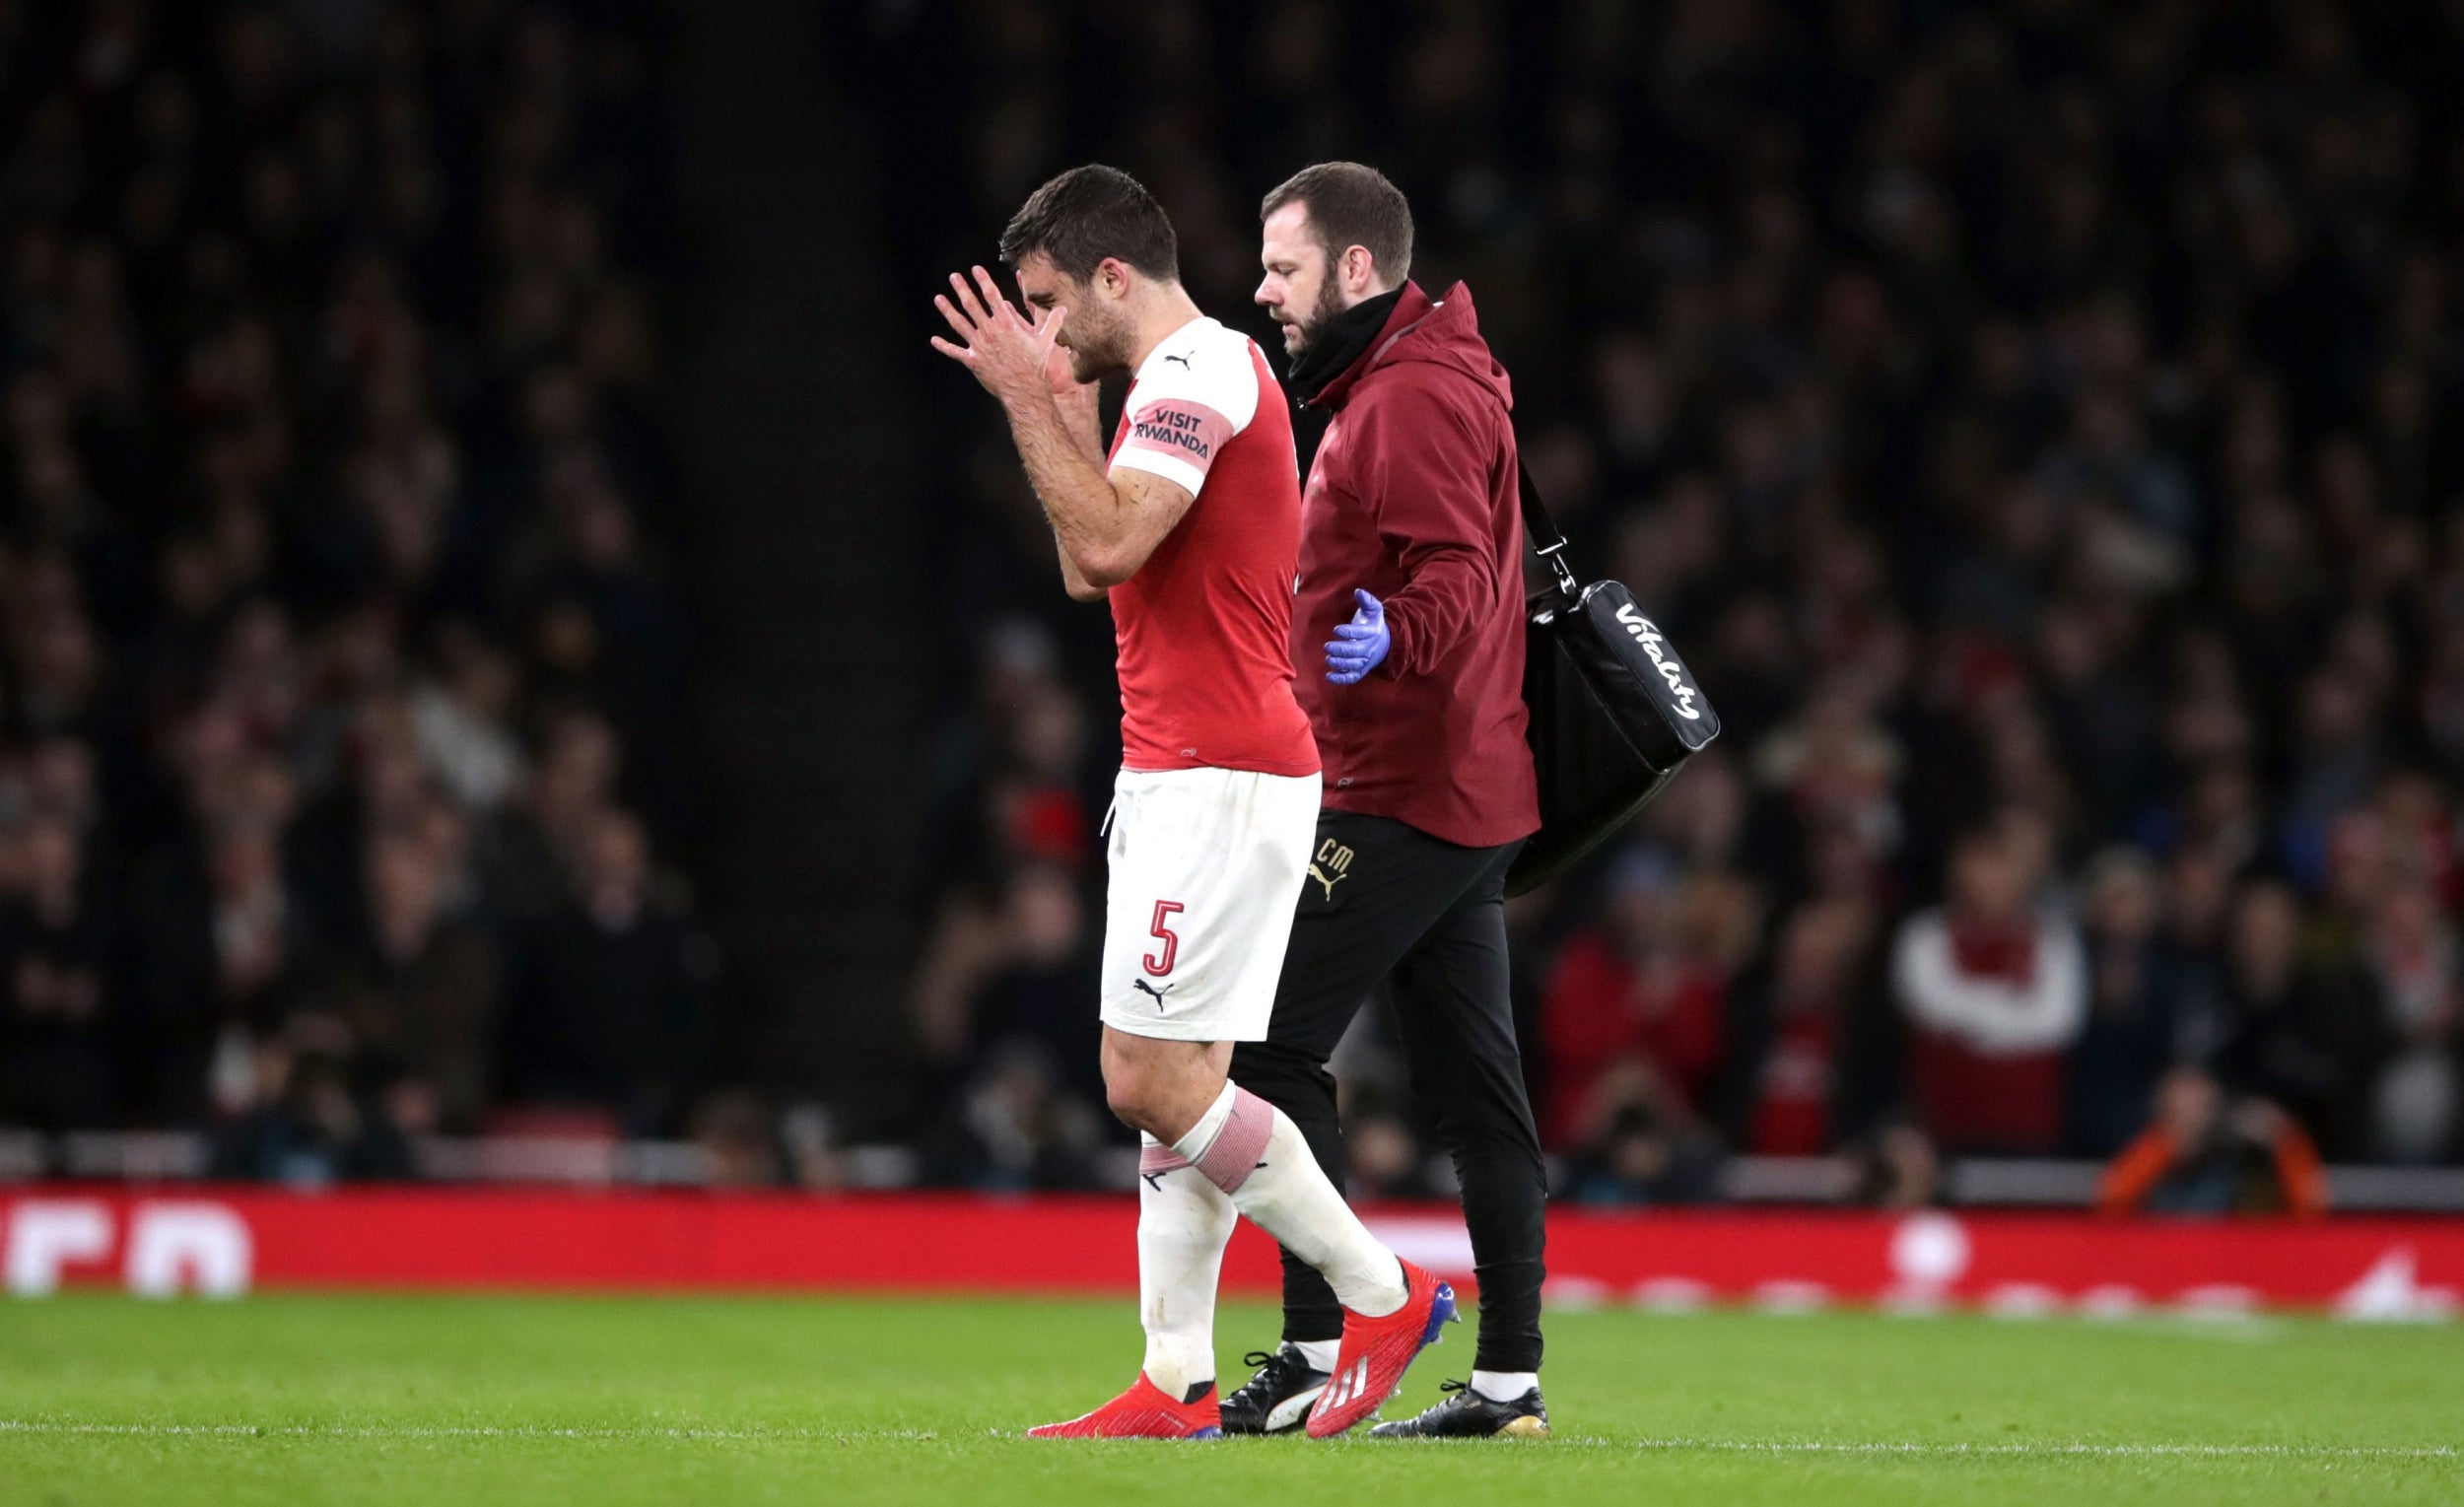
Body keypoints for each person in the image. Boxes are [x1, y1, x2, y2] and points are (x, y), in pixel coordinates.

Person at [929, 164, 1452, 1441]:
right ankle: (1175, 1379)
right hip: (1187, 767)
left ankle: (1384, 1290)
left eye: (1052, 303)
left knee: (1146, 1080)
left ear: (1117, 276)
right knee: (1184, 1080)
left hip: (1220, 771)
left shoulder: (1203, 372)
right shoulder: (1162, 386)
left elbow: (1107, 543)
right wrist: (1054, 407)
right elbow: (1085, 560)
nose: (1045, 328)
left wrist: (1021, 392)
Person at [1221, 162, 1550, 1440]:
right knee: (1478, 1091)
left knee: (1261, 1044)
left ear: (1359, 270)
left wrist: (1392, 635)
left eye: (1284, 267)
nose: (1264, 291)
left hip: (1405, 792)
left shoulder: (1407, 397)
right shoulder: (1423, 376)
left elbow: (1458, 570)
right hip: (1467, 790)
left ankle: (1321, 1339)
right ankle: (1509, 1383)